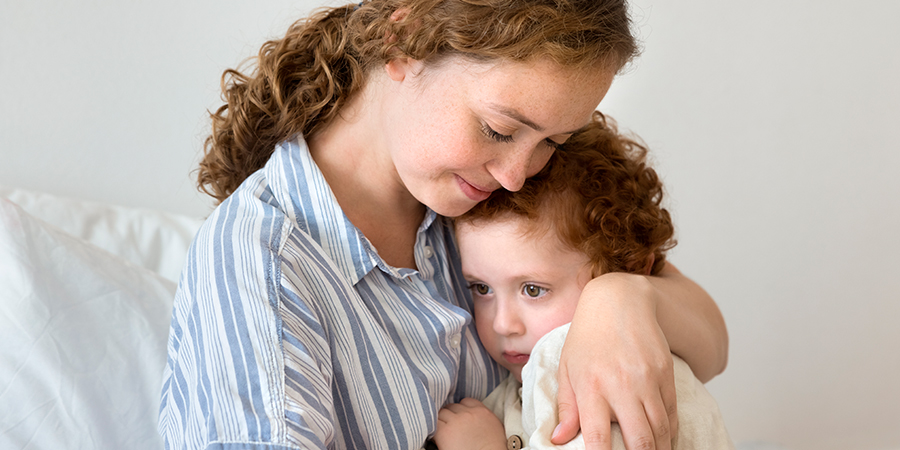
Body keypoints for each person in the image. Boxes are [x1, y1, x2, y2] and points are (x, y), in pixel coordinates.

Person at [157, 0, 729, 449]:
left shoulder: (483, 188)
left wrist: (623, 297)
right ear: (402, 42)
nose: (515, 175)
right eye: (500, 130)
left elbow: (710, 344)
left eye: (552, 142)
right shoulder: (265, 264)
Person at [432, 113, 733, 450]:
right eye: (482, 288)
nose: (503, 324)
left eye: (533, 290)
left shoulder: (609, 381)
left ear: (629, 267)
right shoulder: (535, 372)